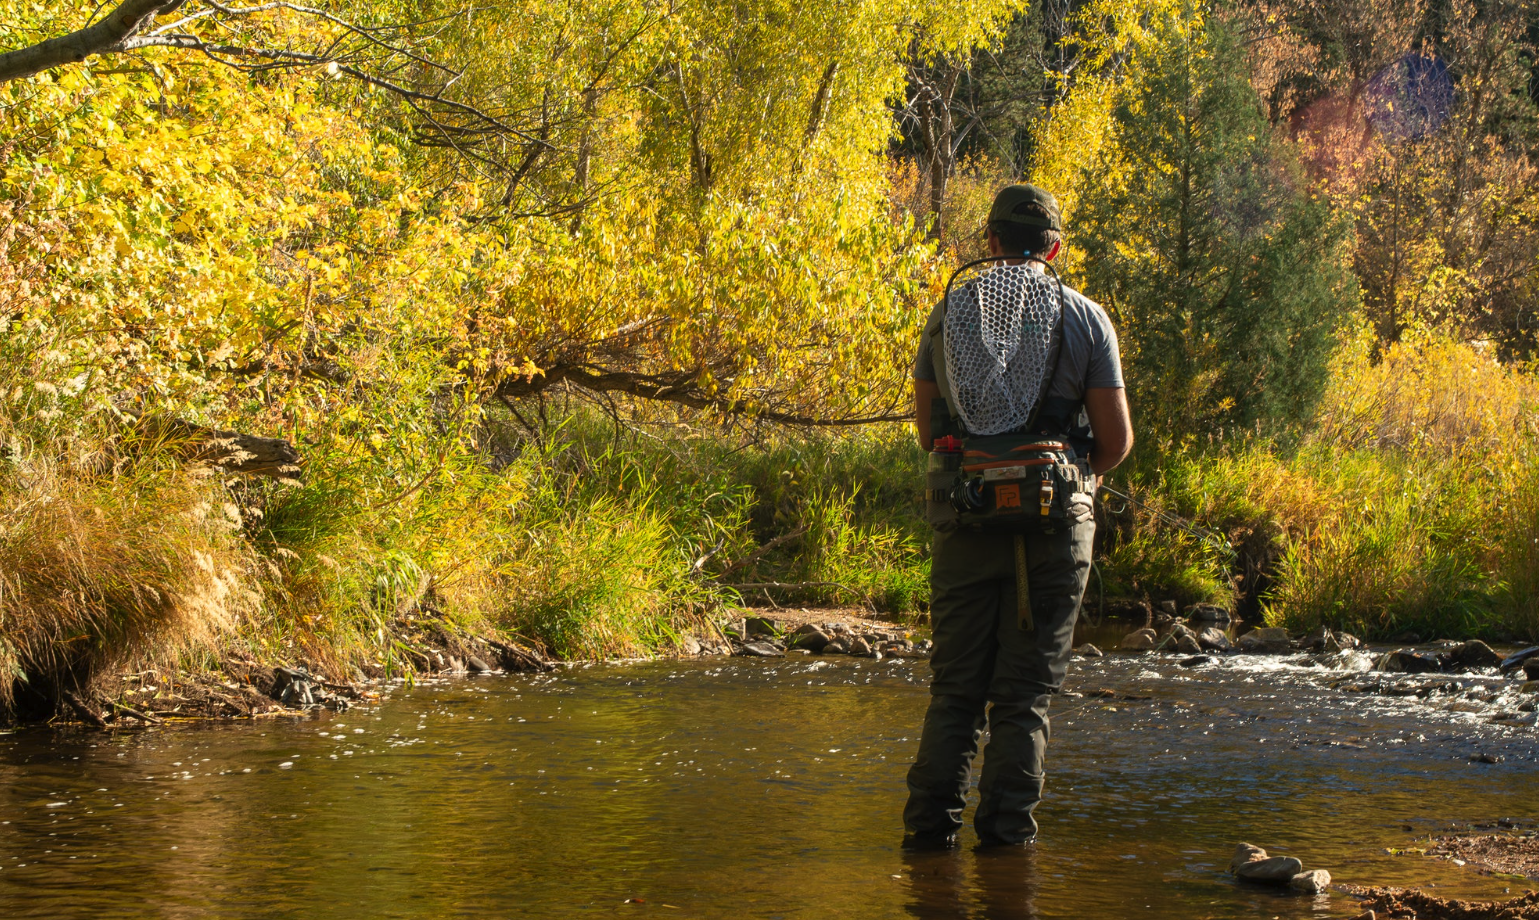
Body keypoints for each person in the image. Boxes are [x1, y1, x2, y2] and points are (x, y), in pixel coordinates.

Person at [903, 183, 1133, 849]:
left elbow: (927, 433)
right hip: (1054, 529)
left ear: (990, 244)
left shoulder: (946, 316)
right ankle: (1006, 854)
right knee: (1022, 700)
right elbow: (1113, 444)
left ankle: (926, 846)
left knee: (953, 695)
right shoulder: (1086, 318)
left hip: (964, 519)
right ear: (1054, 248)